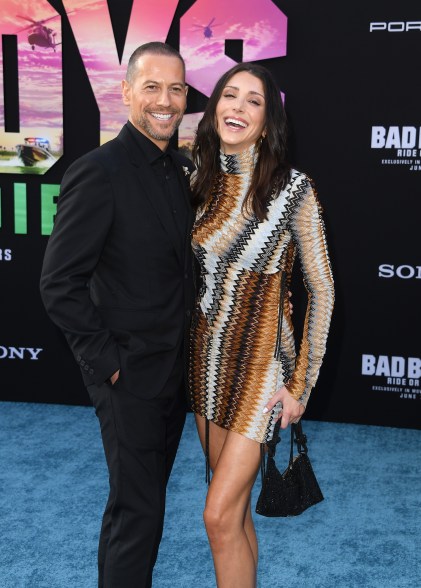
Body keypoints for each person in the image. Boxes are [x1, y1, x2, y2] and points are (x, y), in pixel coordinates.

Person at [40, 43, 195, 588]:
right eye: (151, 87)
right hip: (127, 374)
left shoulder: (182, 167)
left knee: (137, 508)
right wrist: (107, 364)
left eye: (175, 88)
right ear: (126, 92)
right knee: (140, 514)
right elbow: (59, 282)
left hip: (173, 372)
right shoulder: (98, 172)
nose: (165, 100)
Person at [189, 62, 335, 588]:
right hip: (206, 366)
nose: (239, 107)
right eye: (231, 95)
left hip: (263, 371)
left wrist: (301, 385)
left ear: (270, 120)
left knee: (215, 514)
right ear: (213, 110)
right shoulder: (196, 178)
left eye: (255, 101)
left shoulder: (293, 189)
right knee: (234, 515)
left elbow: (322, 290)